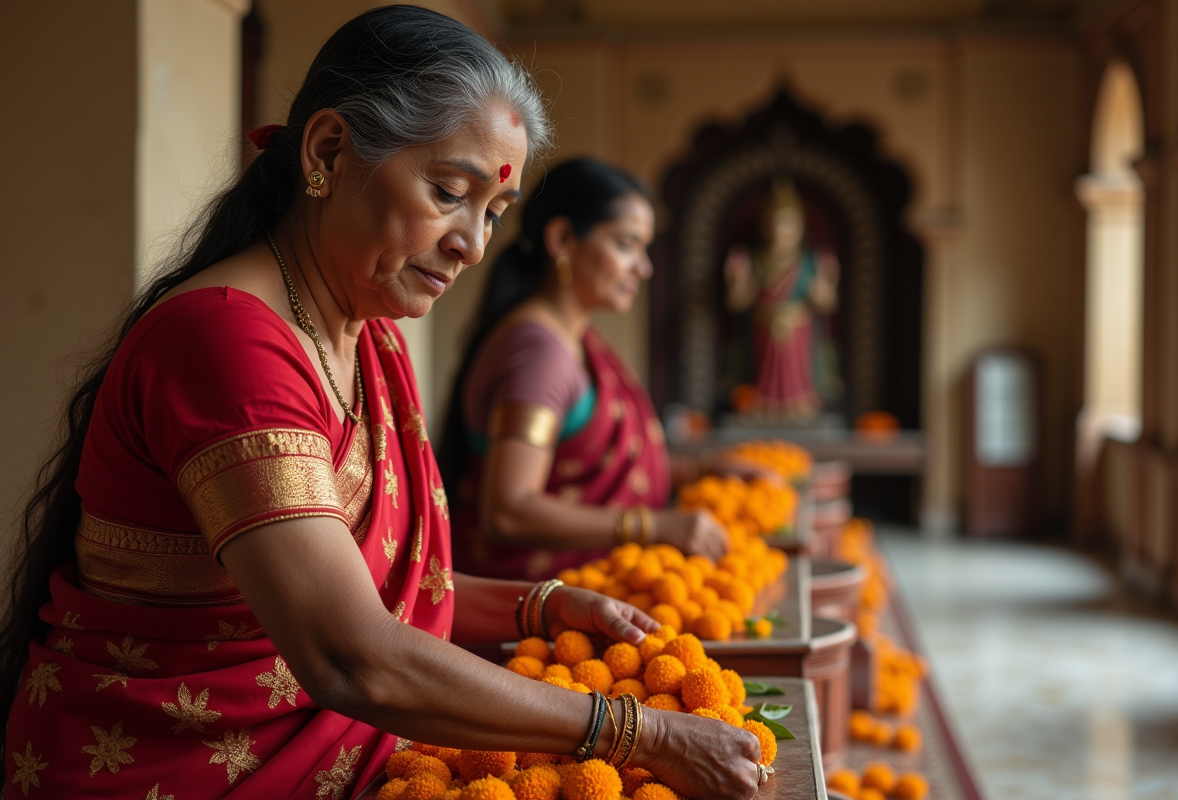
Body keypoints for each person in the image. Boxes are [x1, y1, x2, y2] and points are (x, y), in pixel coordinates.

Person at [0, 8, 762, 799]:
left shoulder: (369, 336)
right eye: (449, 192)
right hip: (175, 773)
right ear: (329, 152)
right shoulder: (226, 342)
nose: (472, 242)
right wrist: (639, 732)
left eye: (494, 213)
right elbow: (348, 653)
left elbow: (381, 600)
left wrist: (541, 607)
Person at [440, 159, 765, 584]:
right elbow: (509, 510)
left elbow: (587, 460)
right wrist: (652, 527)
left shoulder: (570, 339)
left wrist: (704, 468)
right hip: (528, 601)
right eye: (627, 245)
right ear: (562, 239)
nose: (643, 268)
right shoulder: (540, 352)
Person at [725, 179, 841, 419]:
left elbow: (827, 303)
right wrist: (738, 281)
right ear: (766, 227)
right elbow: (737, 303)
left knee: (797, 378)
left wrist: (824, 286)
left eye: (789, 224)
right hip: (763, 331)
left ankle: (800, 405)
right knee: (761, 380)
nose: (782, 231)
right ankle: (763, 405)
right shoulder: (755, 261)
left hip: (799, 331)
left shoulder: (810, 262)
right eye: (776, 224)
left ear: (800, 228)